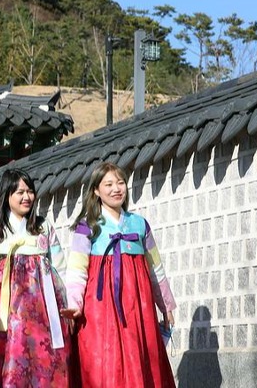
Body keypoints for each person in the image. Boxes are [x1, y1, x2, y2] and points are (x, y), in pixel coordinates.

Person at [61, 161, 177, 387]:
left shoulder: (140, 225)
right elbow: (77, 270)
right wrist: (74, 304)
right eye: (109, 184)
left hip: (137, 305)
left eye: (120, 183)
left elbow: (155, 268)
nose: (116, 189)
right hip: (100, 307)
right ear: (96, 190)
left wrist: (166, 305)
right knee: (104, 362)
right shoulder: (88, 226)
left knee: (140, 357)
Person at [0, 168, 70, 387]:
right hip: (6, 309)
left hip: (44, 308)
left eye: (29, 191)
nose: (26, 197)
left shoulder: (43, 226)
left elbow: (60, 266)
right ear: (6, 195)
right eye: (19, 192)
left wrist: (68, 304)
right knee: (9, 355)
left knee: (46, 356)